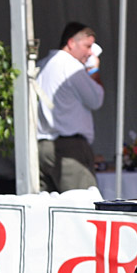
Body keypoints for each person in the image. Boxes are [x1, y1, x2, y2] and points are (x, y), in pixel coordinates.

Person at [35, 22, 104, 192]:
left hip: (41, 148)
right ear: (71, 43)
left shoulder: (41, 65)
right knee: (81, 206)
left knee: (49, 209)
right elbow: (96, 99)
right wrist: (93, 71)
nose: (90, 53)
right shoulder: (71, 67)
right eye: (87, 46)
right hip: (68, 149)